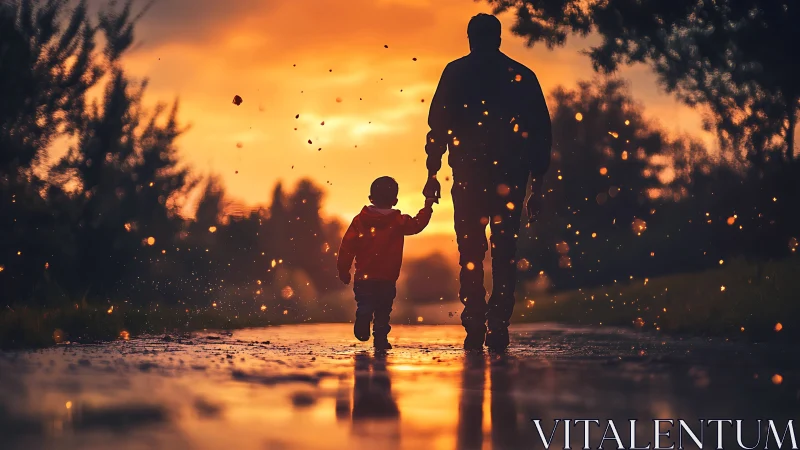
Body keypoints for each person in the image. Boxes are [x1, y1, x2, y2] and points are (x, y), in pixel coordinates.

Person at [423, 13, 552, 351]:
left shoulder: (455, 72)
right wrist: (537, 188)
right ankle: (498, 323)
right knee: (505, 250)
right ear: (499, 38)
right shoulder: (522, 76)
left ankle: (475, 319)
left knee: (470, 250)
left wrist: (432, 174)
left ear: (469, 38)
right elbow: (540, 133)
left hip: (468, 178)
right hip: (510, 179)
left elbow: (438, 127)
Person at [338, 176, 435, 350]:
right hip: (387, 278)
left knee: (365, 301)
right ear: (395, 200)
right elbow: (418, 224)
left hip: (364, 277)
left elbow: (347, 246)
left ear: (370, 198)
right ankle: (380, 339)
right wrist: (427, 206)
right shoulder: (398, 222)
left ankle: (363, 313)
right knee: (383, 310)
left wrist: (343, 270)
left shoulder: (359, 221)